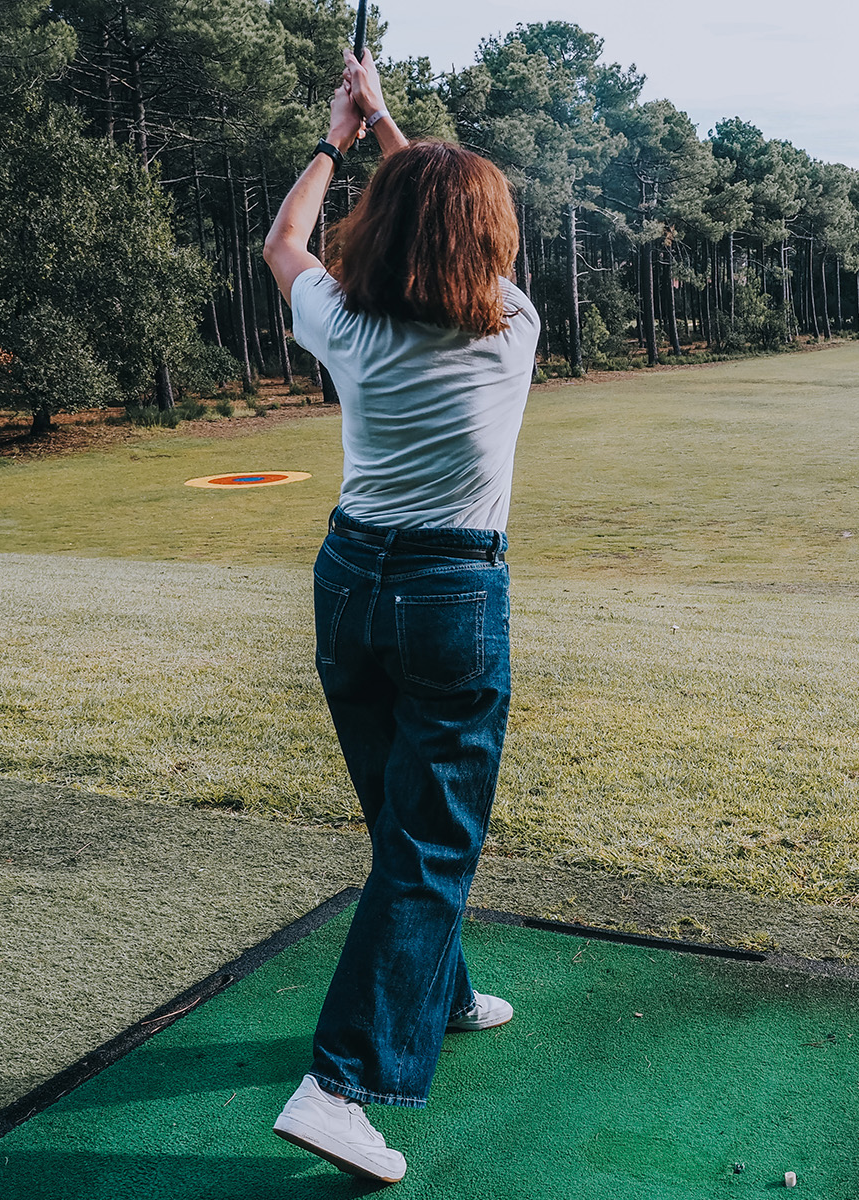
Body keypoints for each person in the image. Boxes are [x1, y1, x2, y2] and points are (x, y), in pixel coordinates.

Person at [260, 46, 541, 1184]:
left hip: (349, 583)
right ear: (488, 238)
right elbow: (441, 210)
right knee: (430, 835)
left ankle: (443, 991)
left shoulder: (346, 323)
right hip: (448, 594)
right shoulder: (510, 324)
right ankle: (340, 1085)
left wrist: (339, 132)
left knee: (401, 817)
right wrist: (387, 126)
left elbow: (284, 242)